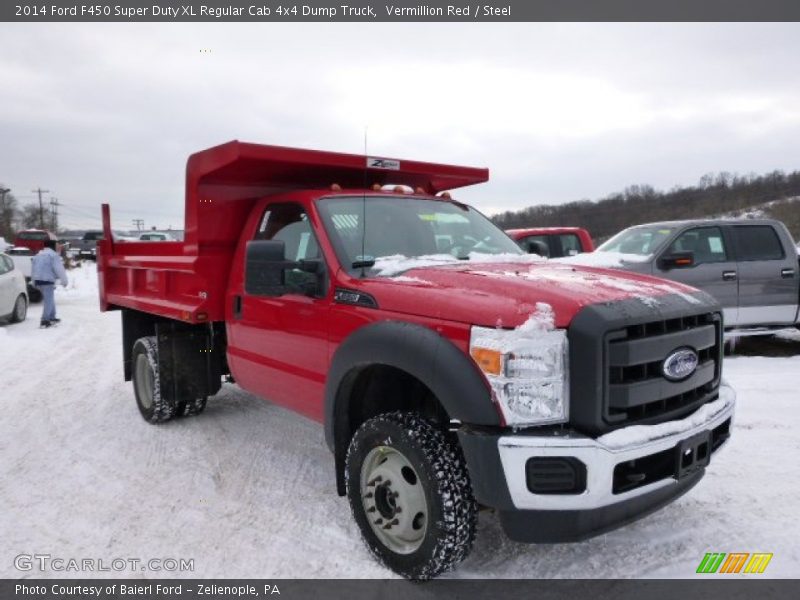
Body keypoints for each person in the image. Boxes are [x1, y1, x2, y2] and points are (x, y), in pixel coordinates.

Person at [31, 239, 68, 328]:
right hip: (47, 280)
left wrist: (33, 281)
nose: (57, 247)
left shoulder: (38, 255)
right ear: (52, 246)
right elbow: (59, 269)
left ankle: (52, 317)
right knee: (48, 300)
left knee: (49, 298)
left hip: (38, 280)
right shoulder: (53, 255)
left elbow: (33, 269)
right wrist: (64, 281)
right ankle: (45, 320)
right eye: (56, 245)